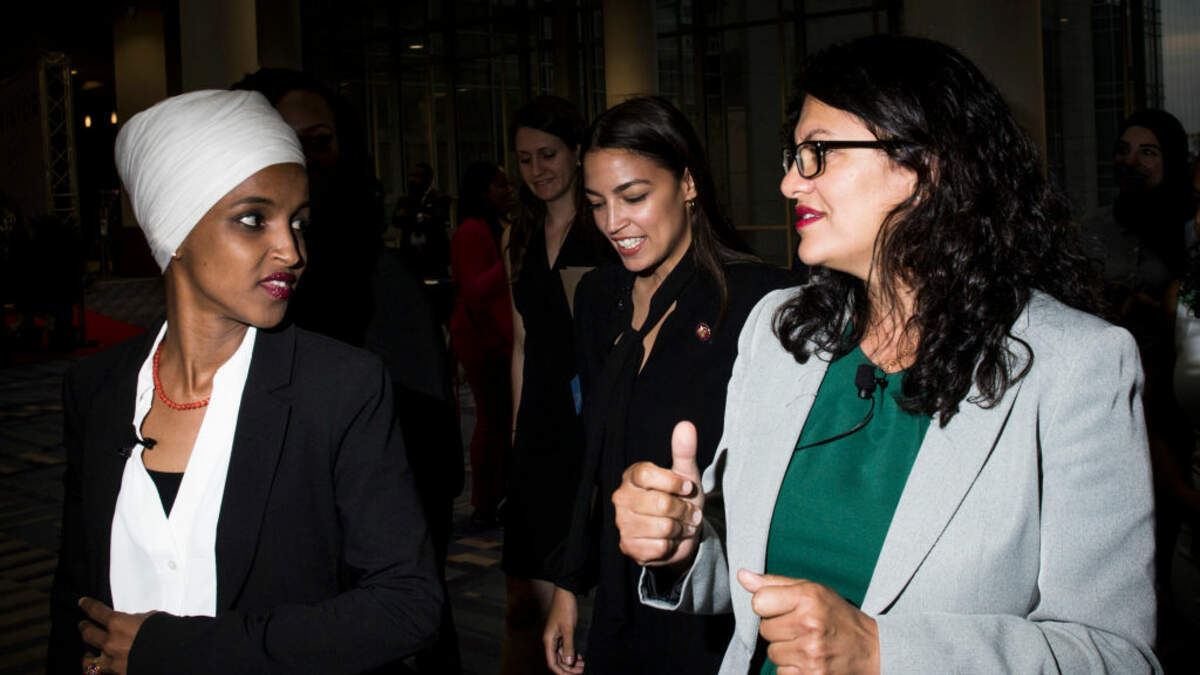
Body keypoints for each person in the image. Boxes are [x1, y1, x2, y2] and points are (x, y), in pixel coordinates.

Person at [611, 35, 1159, 674]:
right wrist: (682, 546)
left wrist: (882, 652)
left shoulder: (1078, 366)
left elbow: (1117, 655)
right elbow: (746, 577)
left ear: (925, 167)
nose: (789, 182)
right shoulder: (779, 334)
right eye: (794, 157)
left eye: (817, 154)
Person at [46, 89, 441, 674]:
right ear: (175, 229)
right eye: (254, 219)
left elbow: (407, 607)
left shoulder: (339, 388)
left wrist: (179, 652)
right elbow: (74, 601)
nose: (292, 250)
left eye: (299, 222)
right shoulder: (95, 387)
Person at [543, 96, 794, 674]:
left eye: (633, 197)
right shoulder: (599, 297)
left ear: (687, 183)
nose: (612, 223)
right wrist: (568, 584)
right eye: (597, 203)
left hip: (708, 601)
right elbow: (593, 455)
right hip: (617, 592)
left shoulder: (757, 302)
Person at [233, 69, 464, 673]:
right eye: (284, 138)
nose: (304, 158)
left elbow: (429, 463)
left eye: (319, 141)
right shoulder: (235, 288)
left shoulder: (385, 283)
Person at [502, 96, 614, 674]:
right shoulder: (517, 235)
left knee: (599, 595)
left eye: (547, 154)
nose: (536, 169)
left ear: (576, 152)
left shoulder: (604, 230)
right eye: (525, 159)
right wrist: (516, 434)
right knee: (527, 600)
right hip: (540, 427)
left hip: (593, 422)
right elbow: (521, 342)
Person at [450, 161, 514, 525]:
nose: (507, 191)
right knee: (491, 419)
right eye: (500, 185)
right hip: (481, 338)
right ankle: (485, 500)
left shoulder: (489, 227)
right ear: (483, 191)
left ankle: (492, 496)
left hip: (492, 335)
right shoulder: (471, 230)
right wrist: (508, 261)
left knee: (497, 419)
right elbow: (475, 290)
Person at [395, 161, 452, 281]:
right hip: (410, 256)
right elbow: (396, 220)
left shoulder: (439, 198)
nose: (412, 180)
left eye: (417, 176)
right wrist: (421, 216)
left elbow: (436, 220)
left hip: (433, 256)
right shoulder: (404, 199)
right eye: (411, 175)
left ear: (428, 179)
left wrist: (410, 216)